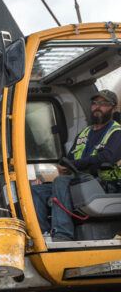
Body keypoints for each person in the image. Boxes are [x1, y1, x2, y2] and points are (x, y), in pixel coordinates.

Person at [31, 90, 121, 241]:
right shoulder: (84, 134)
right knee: (37, 191)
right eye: (95, 103)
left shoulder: (117, 132)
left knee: (61, 182)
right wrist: (64, 167)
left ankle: (62, 234)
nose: (98, 107)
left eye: (104, 104)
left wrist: (73, 165)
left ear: (114, 108)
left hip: (102, 182)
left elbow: (106, 158)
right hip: (78, 180)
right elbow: (69, 159)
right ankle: (43, 234)